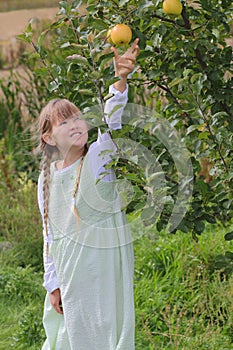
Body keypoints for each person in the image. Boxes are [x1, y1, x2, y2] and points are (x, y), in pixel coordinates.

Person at [37, 38, 140, 350]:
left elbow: (112, 117)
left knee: (108, 330)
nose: (76, 125)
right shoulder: (46, 179)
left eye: (78, 118)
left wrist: (121, 77)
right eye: (64, 122)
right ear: (48, 136)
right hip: (71, 272)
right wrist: (52, 283)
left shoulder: (98, 157)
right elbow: (48, 235)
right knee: (73, 334)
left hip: (104, 267)